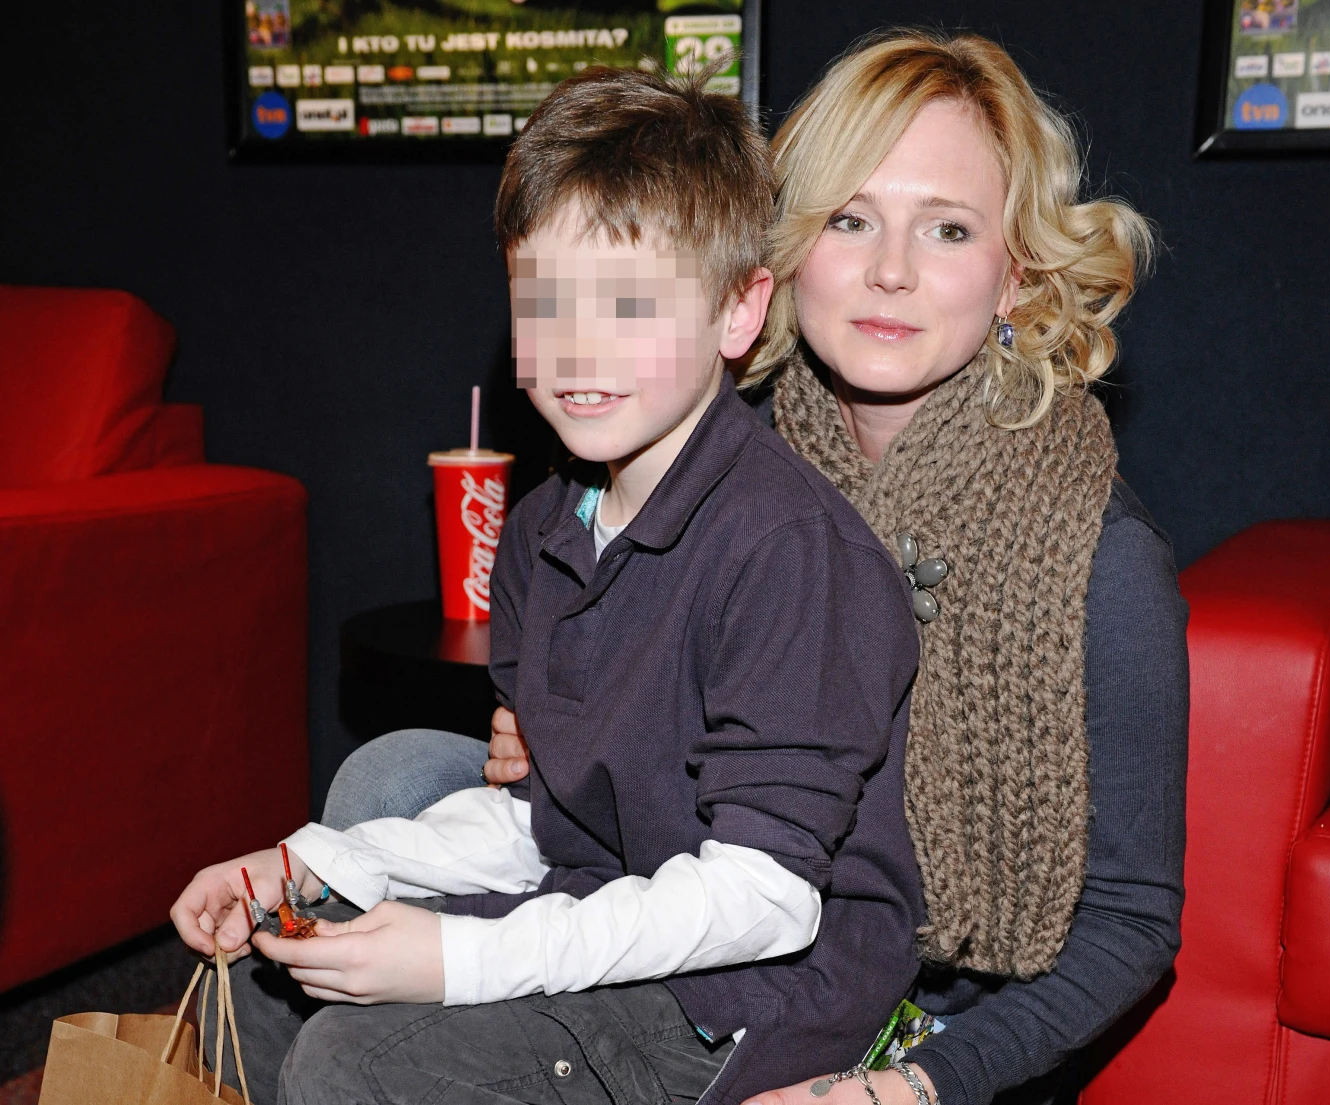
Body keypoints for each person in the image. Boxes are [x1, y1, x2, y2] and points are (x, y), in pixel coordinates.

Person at [171, 65, 928, 1105]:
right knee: (258, 982)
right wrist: (308, 865)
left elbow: (767, 900)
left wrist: (459, 958)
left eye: (628, 304)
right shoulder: (539, 531)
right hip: (606, 903)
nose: (577, 348)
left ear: (738, 310)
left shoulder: (788, 551)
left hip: (755, 996)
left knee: (350, 1060)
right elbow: (538, 818)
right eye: (544, 303)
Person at [475, 30, 1190, 1105]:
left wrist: (909, 1087)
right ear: (780, 258)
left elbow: (1131, 924)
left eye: (947, 228)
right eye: (850, 220)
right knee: (395, 777)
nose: (890, 270)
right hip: (701, 915)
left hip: (938, 1034)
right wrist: (561, 729)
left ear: (1016, 275)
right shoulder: (703, 457)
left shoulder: (1102, 558)